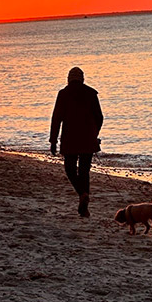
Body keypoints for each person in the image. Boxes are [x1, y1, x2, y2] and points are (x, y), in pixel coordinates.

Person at [49, 66, 104, 217]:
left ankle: (82, 194)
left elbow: (56, 119)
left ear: (69, 79)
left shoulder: (63, 94)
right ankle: (84, 204)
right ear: (82, 78)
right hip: (87, 139)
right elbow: (99, 117)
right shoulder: (91, 93)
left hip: (70, 139)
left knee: (70, 169)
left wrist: (53, 141)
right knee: (84, 171)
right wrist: (94, 133)